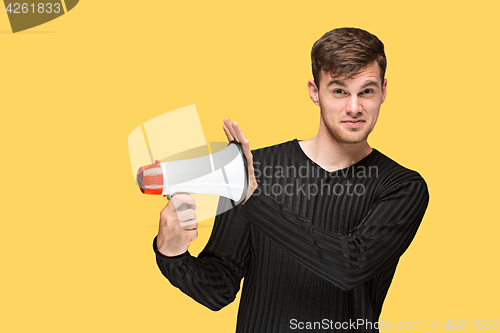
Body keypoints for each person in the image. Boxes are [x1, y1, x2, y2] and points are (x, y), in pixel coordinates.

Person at [152, 27, 429, 332]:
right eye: (339, 91)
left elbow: (350, 265)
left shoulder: (402, 187)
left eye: (367, 91)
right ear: (314, 91)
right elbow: (220, 288)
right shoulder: (257, 169)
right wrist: (173, 255)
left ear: (384, 91)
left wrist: (252, 199)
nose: (354, 107)